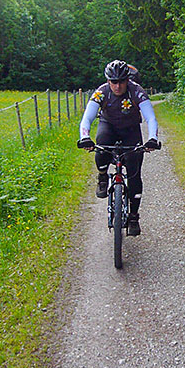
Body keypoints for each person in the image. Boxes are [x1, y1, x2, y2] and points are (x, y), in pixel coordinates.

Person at [77, 60, 160, 236]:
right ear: (108, 81)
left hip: (131, 130)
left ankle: (133, 217)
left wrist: (153, 138)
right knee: (100, 147)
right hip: (108, 126)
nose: (117, 86)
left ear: (127, 80)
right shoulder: (101, 93)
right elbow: (87, 118)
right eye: (113, 82)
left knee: (134, 173)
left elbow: (150, 118)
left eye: (121, 81)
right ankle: (102, 176)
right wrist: (84, 138)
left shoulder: (137, 91)